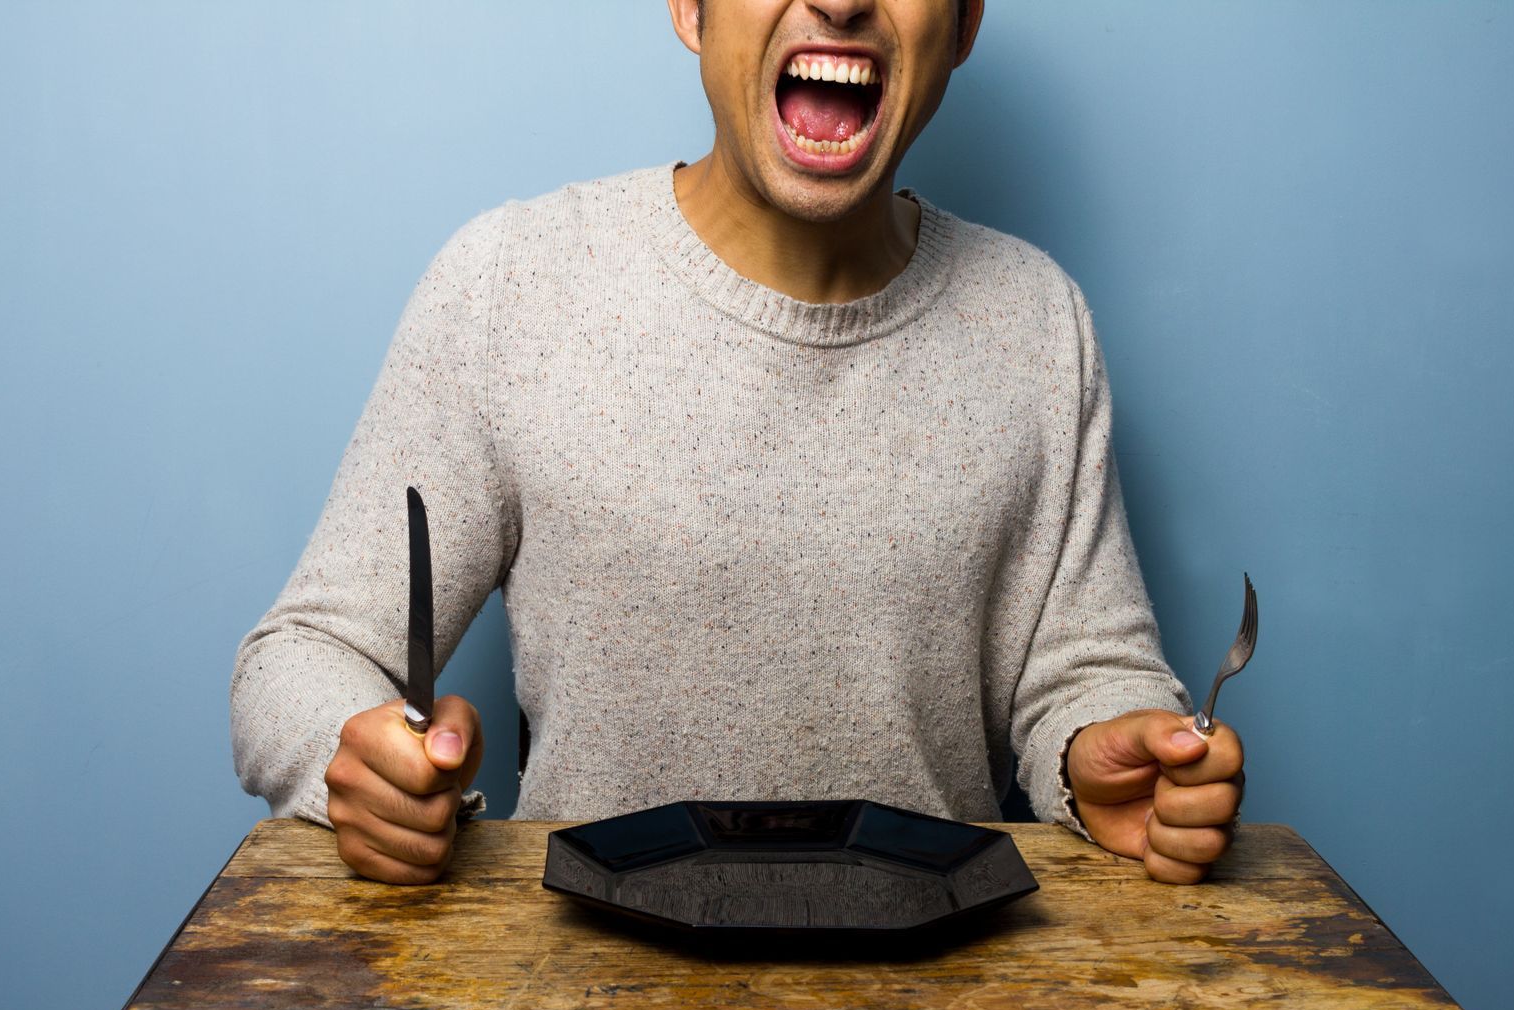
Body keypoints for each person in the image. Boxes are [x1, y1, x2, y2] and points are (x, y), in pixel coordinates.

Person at [231, 0, 1244, 887]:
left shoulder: (1036, 319)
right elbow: (303, 657)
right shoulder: (512, 284)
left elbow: (1086, 667)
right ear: (690, 8)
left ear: (964, 25)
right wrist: (354, 764)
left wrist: (1110, 757)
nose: (841, 1)